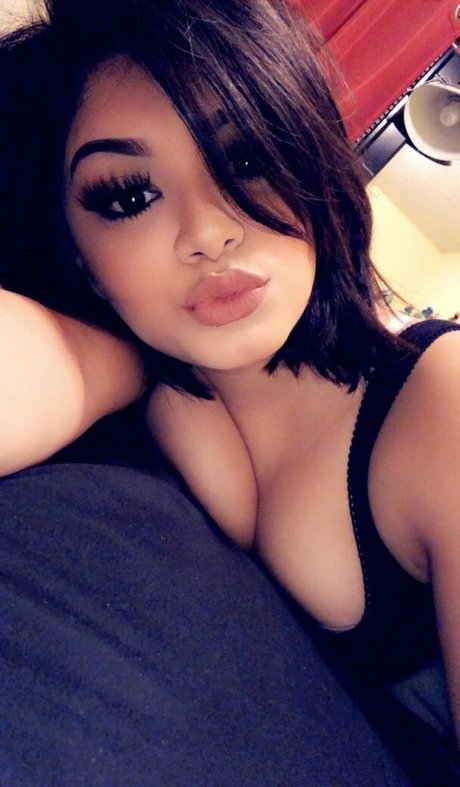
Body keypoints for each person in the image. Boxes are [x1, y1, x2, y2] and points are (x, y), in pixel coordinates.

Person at [1, 0, 459, 780]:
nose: (210, 231)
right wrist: (120, 360)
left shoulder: (440, 400)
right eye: (128, 197)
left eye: (246, 157)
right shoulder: (138, 410)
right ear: (79, 257)